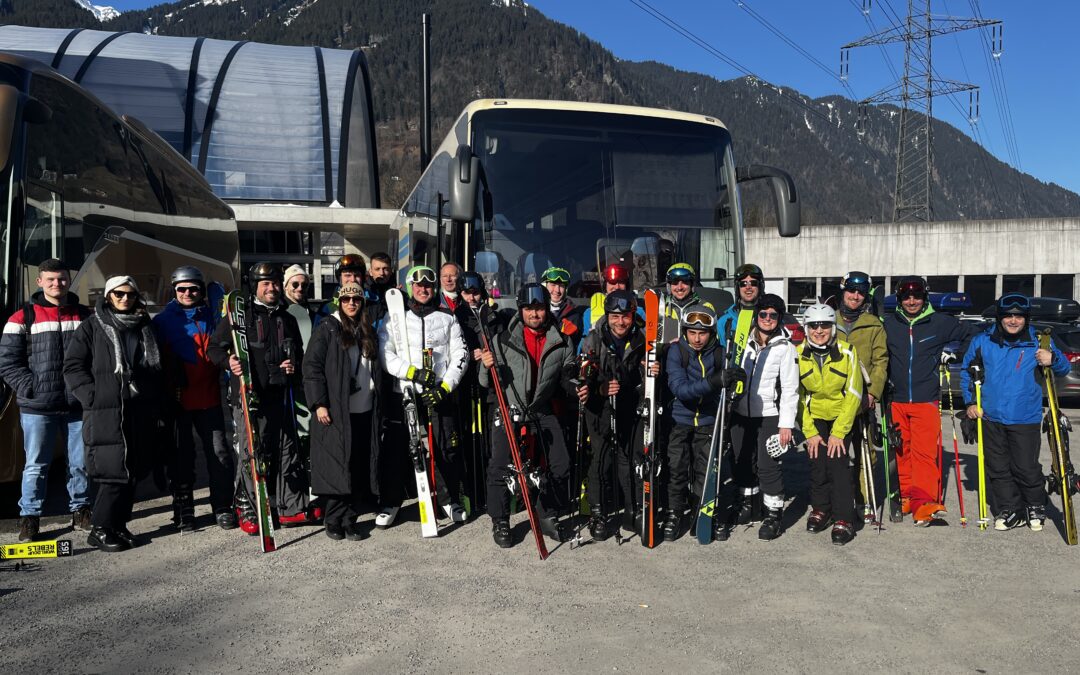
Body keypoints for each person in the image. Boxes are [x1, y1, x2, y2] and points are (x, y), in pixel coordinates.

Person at [63, 276, 166, 552]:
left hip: (138, 408)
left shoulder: (144, 325)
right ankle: (99, 528)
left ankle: (118, 524)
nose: (125, 299)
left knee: (133, 470)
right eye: (119, 294)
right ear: (108, 296)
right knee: (113, 472)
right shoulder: (92, 326)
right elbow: (73, 366)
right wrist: (92, 397)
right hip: (107, 410)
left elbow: (155, 366)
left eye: (130, 295)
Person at [208, 262, 311, 533]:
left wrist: (293, 365)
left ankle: (289, 506)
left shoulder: (287, 318)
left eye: (276, 283)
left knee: (286, 449)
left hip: (280, 394)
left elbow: (298, 353)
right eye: (266, 284)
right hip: (250, 395)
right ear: (255, 286)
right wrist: (228, 361)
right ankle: (250, 508)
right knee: (252, 451)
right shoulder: (241, 316)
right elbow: (214, 349)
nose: (272, 288)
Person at [0, 259, 92, 542]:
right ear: (39, 281)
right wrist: (31, 388)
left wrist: (88, 389)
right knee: (36, 465)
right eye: (51, 279)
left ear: (69, 280)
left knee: (80, 462)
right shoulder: (21, 318)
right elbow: (8, 362)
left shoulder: (85, 316)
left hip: (77, 404)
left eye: (62, 279)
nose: (57, 284)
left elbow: (97, 357)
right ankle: (30, 518)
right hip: (38, 407)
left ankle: (81, 510)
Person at [961, 294, 1069, 531]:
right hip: (989, 415)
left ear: (1026, 318)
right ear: (999, 318)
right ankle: (1010, 509)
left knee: (1025, 466)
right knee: (998, 467)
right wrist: (970, 403)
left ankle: (1034, 505)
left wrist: (1053, 359)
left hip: (1024, 416)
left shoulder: (1039, 341)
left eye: (1018, 316)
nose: (1013, 320)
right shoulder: (982, 341)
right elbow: (968, 372)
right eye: (1008, 315)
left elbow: (1064, 368)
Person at [479, 283, 576, 547]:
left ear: (547, 309)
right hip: (510, 406)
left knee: (560, 463)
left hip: (540, 410)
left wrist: (579, 384)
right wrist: (486, 366)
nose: (535, 314)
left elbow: (568, 375)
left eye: (540, 308)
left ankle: (546, 512)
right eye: (529, 309)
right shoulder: (503, 339)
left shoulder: (562, 340)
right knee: (500, 463)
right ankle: (500, 520)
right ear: (521, 310)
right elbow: (486, 382)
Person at [377, 265, 470, 527]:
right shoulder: (396, 317)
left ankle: (448, 499)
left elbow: (460, 355)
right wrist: (411, 373)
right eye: (418, 285)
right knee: (398, 449)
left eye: (428, 285)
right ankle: (391, 501)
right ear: (410, 288)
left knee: (445, 447)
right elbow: (385, 353)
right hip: (405, 393)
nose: (423, 289)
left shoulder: (447, 318)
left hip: (437, 394)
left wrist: (444, 387)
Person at [152, 266, 237, 531]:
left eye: (193, 289)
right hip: (178, 400)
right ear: (173, 291)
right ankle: (183, 509)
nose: (188, 293)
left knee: (219, 453)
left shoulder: (212, 316)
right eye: (182, 289)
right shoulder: (163, 321)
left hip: (209, 397)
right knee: (181, 456)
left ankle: (222, 506)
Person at [882, 276, 973, 525]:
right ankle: (905, 496)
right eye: (907, 296)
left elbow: (970, 336)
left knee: (924, 453)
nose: (912, 301)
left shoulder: (941, 322)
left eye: (917, 296)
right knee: (901, 450)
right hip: (896, 399)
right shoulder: (888, 324)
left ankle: (923, 503)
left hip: (926, 399)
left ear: (925, 297)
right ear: (900, 299)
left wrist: (953, 351)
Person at [304, 282, 384, 541]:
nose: (351, 303)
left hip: (364, 407)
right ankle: (333, 519)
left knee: (357, 465)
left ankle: (350, 518)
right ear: (340, 301)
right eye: (347, 298)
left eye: (356, 300)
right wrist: (319, 403)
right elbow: (312, 367)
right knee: (337, 464)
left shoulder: (366, 329)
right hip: (337, 409)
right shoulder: (328, 327)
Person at [576, 290, 652, 540]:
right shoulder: (594, 338)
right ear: (608, 315)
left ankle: (634, 509)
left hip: (630, 404)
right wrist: (598, 387)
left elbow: (649, 374)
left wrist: (651, 370)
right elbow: (582, 375)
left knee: (630, 458)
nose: (621, 322)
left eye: (626, 316)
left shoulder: (642, 338)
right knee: (601, 459)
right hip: (600, 407)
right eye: (616, 316)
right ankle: (598, 513)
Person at [664, 305, 743, 542]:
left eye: (703, 333)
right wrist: (714, 381)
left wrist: (737, 382)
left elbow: (735, 387)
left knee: (705, 470)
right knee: (677, 468)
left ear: (711, 333)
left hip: (709, 420)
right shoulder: (676, 352)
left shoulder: (720, 353)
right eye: (692, 332)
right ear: (685, 331)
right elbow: (680, 389)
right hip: (681, 419)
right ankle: (675, 512)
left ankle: (704, 510)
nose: (697, 339)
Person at [727, 293, 799, 540]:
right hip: (740, 411)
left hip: (770, 413)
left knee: (768, 466)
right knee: (742, 459)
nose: (767, 319)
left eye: (773, 315)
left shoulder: (785, 348)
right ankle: (749, 505)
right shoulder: (743, 342)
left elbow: (791, 389)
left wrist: (786, 424)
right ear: (756, 316)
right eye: (763, 314)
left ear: (779, 319)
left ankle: (773, 514)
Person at [797, 303, 863, 546]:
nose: (819, 330)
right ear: (806, 328)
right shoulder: (798, 353)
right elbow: (797, 396)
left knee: (838, 466)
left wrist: (839, 432)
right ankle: (821, 509)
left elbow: (854, 392)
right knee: (817, 464)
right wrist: (810, 431)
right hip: (813, 416)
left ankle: (844, 518)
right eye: (813, 325)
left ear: (833, 328)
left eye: (824, 325)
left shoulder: (847, 352)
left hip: (839, 415)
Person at [834, 271, 888, 523]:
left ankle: (864, 499)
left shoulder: (873, 325)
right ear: (843, 291)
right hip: (835, 397)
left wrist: (874, 392)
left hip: (863, 397)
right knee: (836, 452)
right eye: (851, 291)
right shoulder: (827, 321)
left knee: (866, 451)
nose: (855, 296)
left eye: (860, 293)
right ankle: (839, 499)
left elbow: (880, 361)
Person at [717, 263, 764, 366]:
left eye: (753, 283)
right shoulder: (725, 321)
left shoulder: (770, 318)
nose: (748, 287)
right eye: (743, 284)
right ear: (737, 287)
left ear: (760, 286)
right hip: (736, 376)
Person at [581, 264, 643, 335]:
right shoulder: (590, 313)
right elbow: (583, 344)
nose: (617, 286)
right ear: (605, 285)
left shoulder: (639, 312)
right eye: (612, 282)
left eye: (621, 282)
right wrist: (590, 339)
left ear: (627, 286)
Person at [541, 266, 585, 345]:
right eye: (553, 285)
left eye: (561, 286)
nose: (557, 290)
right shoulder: (535, 310)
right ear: (544, 286)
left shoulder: (573, 315)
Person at [283, 264, 318, 348]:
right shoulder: (280, 313)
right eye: (295, 284)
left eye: (304, 285)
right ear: (286, 286)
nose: (300, 288)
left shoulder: (313, 313)